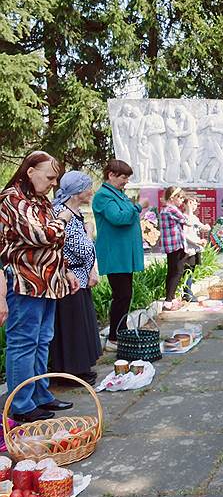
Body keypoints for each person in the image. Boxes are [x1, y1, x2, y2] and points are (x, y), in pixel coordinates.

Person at [0, 151, 78, 423]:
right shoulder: (12, 199)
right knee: (23, 343)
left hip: (48, 282)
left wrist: (66, 269)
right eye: (49, 177)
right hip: (25, 281)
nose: (53, 184)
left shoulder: (39, 200)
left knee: (42, 340)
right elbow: (42, 235)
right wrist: (65, 218)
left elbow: (55, 243)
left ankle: (41, 395)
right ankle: (21, 404)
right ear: (30, 171)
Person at [50, 171, 102, 386]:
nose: (91, 191)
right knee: (72, 326)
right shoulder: (62, 212)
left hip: (79, 274)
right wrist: (89, 234)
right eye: (89, 187)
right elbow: (78, 247)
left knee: (80, 322)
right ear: (78, 191)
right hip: (69, 276)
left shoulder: (73, 210)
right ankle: (72, 371)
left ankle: (79, 367)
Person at [93, 159, 146, 352]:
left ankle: (120, 332)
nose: (126, 181)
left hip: (124, 254)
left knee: (125, 295)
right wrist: (138, 207)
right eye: (123, 177)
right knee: (121, 295)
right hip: (115, 254)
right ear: (111, 175)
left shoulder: (118, 195)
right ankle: (114, 337)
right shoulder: (103, 196)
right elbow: (119, 218)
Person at [159, 187, 187, 310]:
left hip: (170, 246)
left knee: (171, 271)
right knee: (177, 272)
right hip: (176, 245)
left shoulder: (164, 209)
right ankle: (169, 300)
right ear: (172, 197)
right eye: (180, 197)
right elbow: (186, 220)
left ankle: (170, 298)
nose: (182, 201)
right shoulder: (172, 210)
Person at [181, 195, 210, 301]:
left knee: (191, 270)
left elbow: (201, 227)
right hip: (188, 249)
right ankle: (187, 293)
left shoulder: (194, 218)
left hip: (195, 249)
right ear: (184, 204)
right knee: (187, 270)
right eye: (190, 203)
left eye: (194, 203)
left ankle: (188, 291)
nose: (193, 205)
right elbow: (185, 235)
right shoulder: (183, 217)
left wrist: (206, 227)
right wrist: (198, 241)